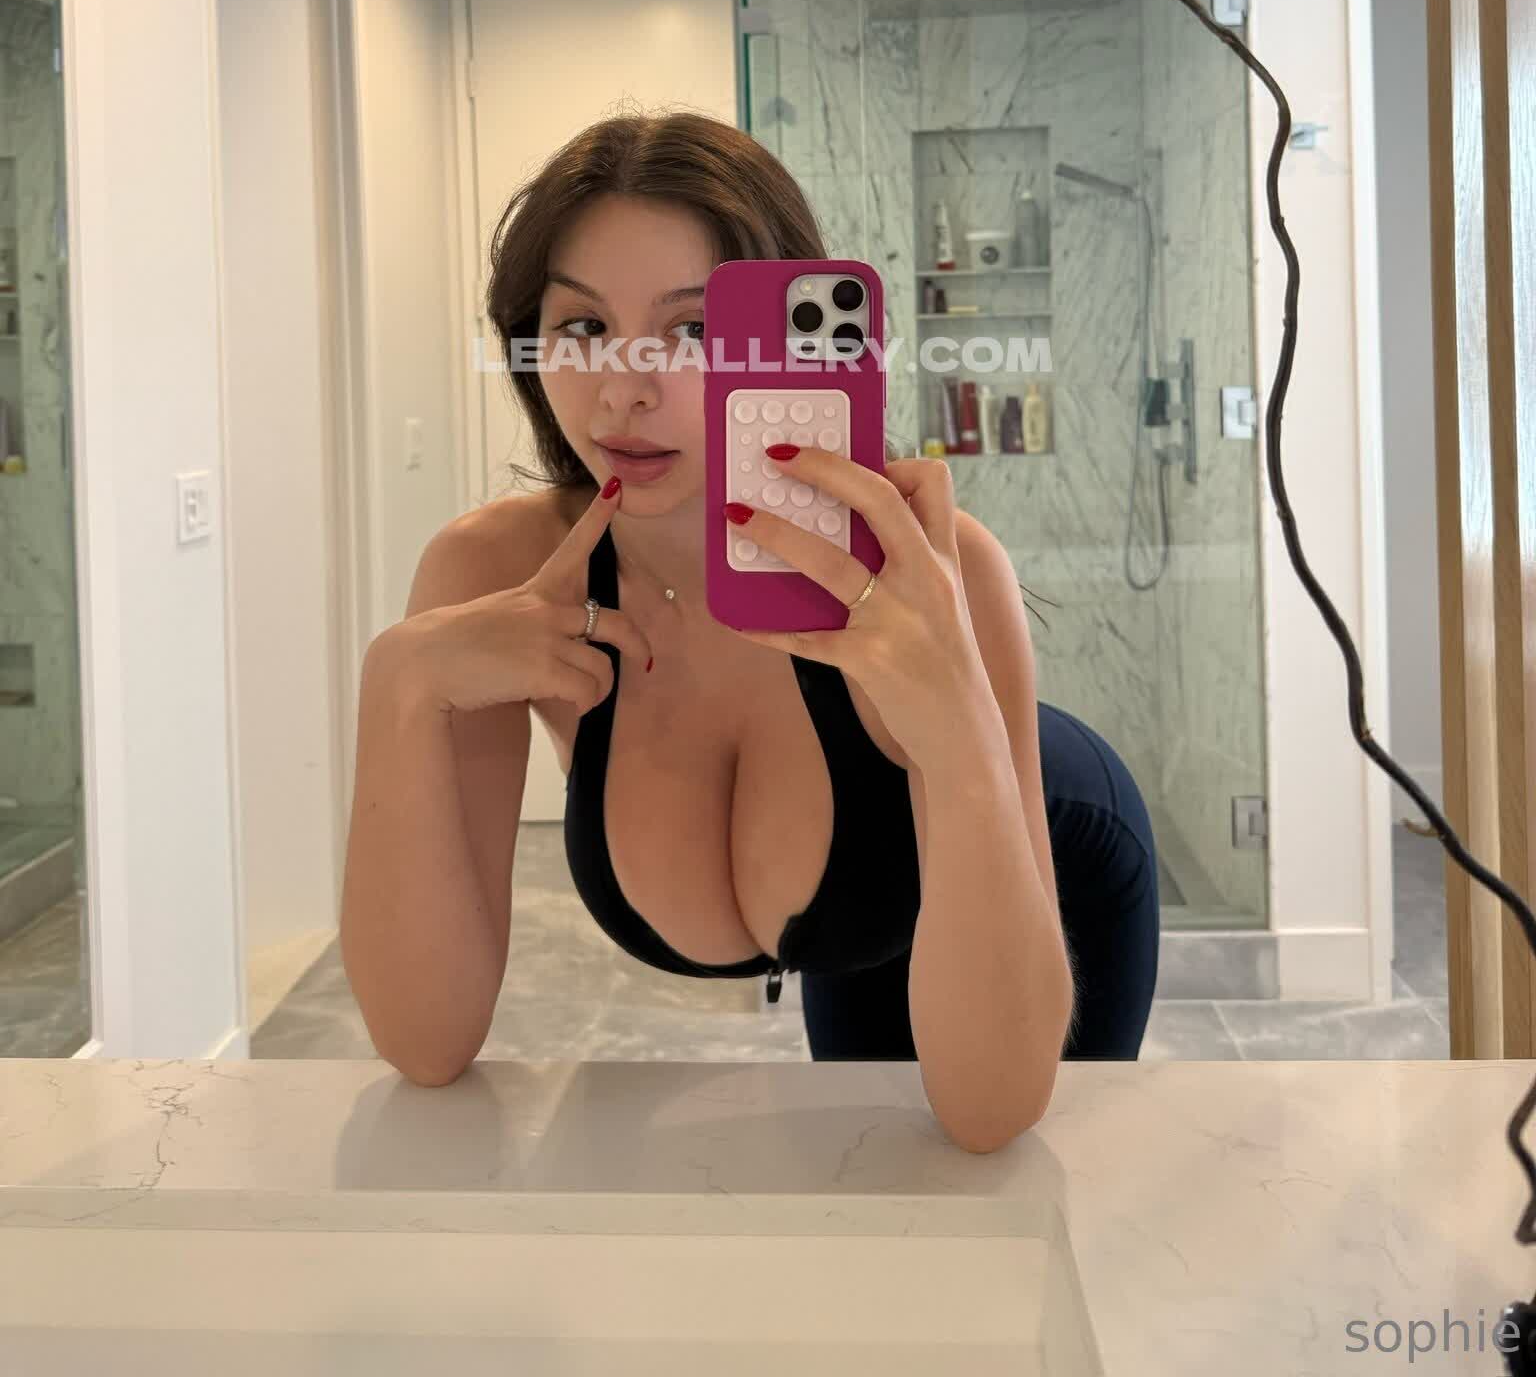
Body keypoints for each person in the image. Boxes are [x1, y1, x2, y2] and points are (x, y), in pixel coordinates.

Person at [341, 109, 1159, 1140]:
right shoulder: (495, 576)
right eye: (584, 326)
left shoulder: (930, 574)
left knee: (991, 1175)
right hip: (856, 897)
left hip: (1049, 831)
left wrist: (958, 732)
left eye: (693, 331)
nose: (623, 390)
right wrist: (400, 682)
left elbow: (991, 1107)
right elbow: (425, 1041)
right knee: (853, 1091)